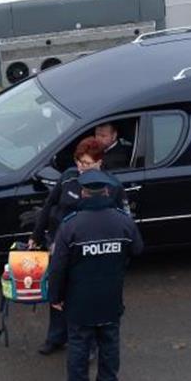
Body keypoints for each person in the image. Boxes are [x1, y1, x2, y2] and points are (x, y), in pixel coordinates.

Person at [48, 170, 143, 381]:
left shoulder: (71, 225)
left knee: (79, 347)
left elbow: (58, 267)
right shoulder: (123, 221)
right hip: (111, 297)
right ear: (107, 191)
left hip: (79, 301)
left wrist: (55, 297)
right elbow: (138, 249)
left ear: (83, 193)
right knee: (109, 346)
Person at [28, 137, 125, 355]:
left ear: (100, 162)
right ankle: (56, 337)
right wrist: (36, 235)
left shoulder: (111, 186)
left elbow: (119, 221)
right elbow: (49, 206)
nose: (82, 168)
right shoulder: (68, 177)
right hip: (58, 247)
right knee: (57, 294)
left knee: (84, 299)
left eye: (87, 164)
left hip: (87, 253)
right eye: (79, 162)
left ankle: (88, 346)